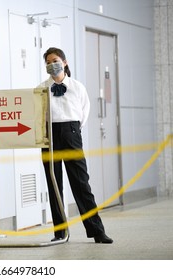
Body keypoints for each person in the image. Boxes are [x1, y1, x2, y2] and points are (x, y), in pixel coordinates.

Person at [39, 47, 113, 244]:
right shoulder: (40, 88)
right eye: (47, 62)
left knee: (81, 183)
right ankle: (60, 233)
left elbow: (84, 112)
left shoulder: (78, 87)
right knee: (54, 185)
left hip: (72, 133)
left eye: (54, 60)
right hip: (49, 136)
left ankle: (97, 230)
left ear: (64, 62)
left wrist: (73, 130)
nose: (51, 65)